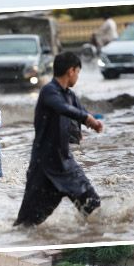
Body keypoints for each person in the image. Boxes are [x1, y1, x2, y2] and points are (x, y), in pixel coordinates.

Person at [13, 51, 104, 227]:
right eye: (78, 72)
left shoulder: (70, 95)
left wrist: (84, 126)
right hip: (43, 166)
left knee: (92, 205)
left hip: (65, 163)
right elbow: (63, 109)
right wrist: (88, 120)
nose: (77, 76)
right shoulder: (49, 91)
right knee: (28, 223)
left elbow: (80, 112)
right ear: (71, 71)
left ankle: (91, 235)